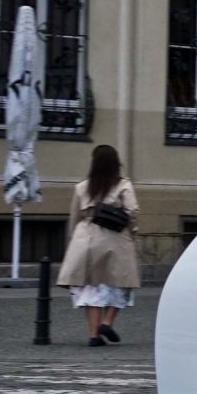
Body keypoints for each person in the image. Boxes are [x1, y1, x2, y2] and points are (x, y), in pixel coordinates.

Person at [59, 144, 140, 347]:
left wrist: (72, 242)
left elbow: (75, 217)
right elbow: (133, 211)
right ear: (116, 164)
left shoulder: (82, 187)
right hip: (115, 238)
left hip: (86, 238)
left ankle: (94, 335)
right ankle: (107, 322)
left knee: (90, 289)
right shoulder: (123, 185)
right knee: (120, 283)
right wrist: (133, 230)